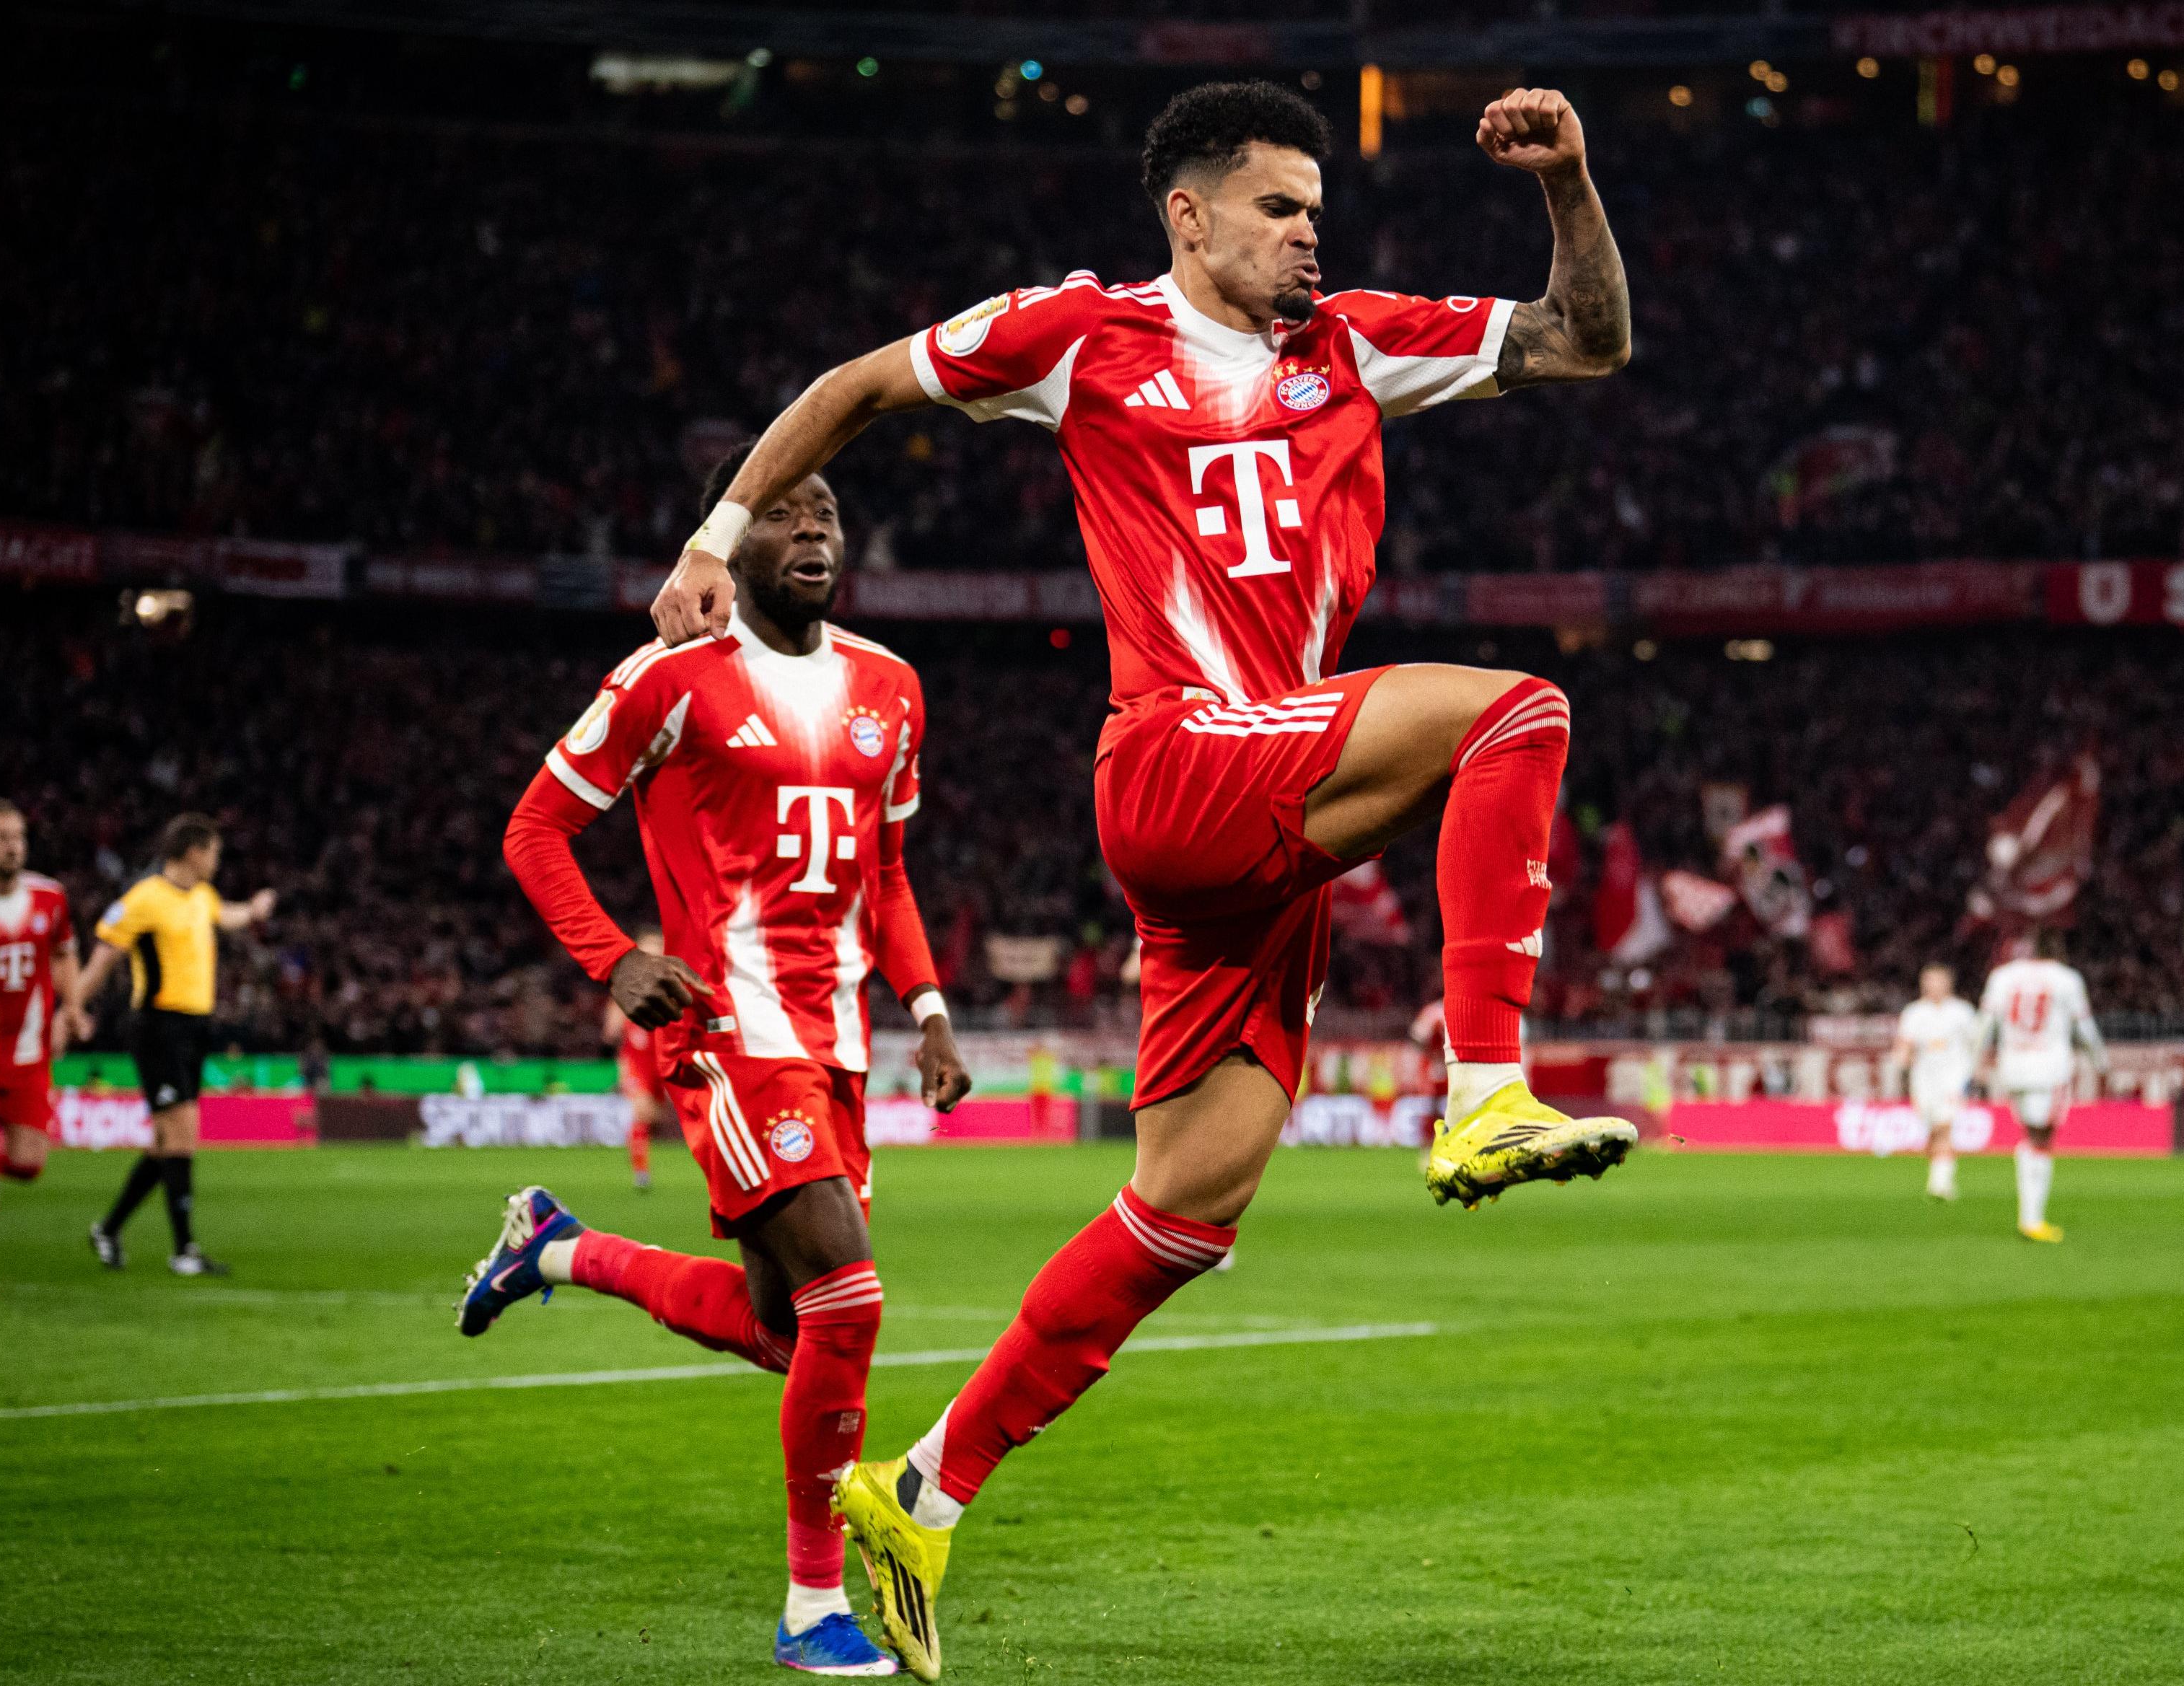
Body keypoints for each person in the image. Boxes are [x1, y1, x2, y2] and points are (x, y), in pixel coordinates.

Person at [641, 81, 1637, 1675]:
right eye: (1276, 207)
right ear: (1185, 214)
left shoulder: (1359, 339)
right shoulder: (1073, 333)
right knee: (1518, 709)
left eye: (1316, 209)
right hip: (1178, 760)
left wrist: (1569, 185)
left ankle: (923, 1493)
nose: (1310, 233)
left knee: (1187, 1205)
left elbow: (1584, 341)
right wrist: (716, 531)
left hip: (1268, 811)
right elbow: (855, 387)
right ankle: (1485, 1084)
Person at [473, 455, 972, 1676]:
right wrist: (612, 958)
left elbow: (890, 873)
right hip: (729, 1033)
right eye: (786, 514)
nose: (814, 531)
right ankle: (812, 1611)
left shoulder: (893, 689)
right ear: (733, 544)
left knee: (784, 1329)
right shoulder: (669, 682)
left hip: (840, 1038)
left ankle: (553, 1245)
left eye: (830, 513)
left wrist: (930, 1005)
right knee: (847, 1301)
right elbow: (535, 827)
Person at [72, 813, 273, 1276]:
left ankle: (110, 1229)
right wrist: (72, 1008)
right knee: (181, 1134)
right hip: (158, 1025)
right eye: (215, 852)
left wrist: (257, 909)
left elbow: (228, 916)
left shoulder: (202, 897)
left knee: (172, 1140)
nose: (218, 861)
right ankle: (183, 1250)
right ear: (194, 851)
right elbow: (104, 957)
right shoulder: (144, 899)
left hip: (195, 1028)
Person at [0, 801, 81, 1296]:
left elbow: (64, 952)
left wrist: (71, 1008)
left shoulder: (50, 897)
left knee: (29, 1164)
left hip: (30, 1055)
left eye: (19, 836)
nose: (13, 845)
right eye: (2, 837)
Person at [1975, 936, 2105, 1243]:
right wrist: (2100, 1061)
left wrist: (1976, 1063)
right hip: (2050, 1067)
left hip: (2013, 1066)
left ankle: (2029, 1217)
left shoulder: (2002, 976)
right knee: (2042, 1138)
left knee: (2029, 1136)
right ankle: (2032, 1219)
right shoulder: (2066, 979)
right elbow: (2084, 1026)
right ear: (2058, 951)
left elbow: (1985, 1024)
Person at [1892, 963, 1978, 1202]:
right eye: (1929, 981)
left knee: (1944, 1126)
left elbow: (1976, 1045)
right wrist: (1901, 1061)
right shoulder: (1914, 1012)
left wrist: (1975, 1074)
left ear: (1948, 983)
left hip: (1953, 1079)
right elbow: (1905, 1044)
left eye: (1938, 981)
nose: (1933, 986)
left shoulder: (1963, 1012)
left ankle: (1941, 1184)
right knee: (1932, 1130)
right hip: (1924, 1080)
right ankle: (1937, 1177)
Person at [606, 923, 672, 1191]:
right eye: (648, 950)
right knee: (642, 1114)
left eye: (658, 950)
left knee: (657, 1118)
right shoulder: (625, 989)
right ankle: (641, 1174)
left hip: (666, 1062)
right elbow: (611, 1033)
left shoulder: (674, 987)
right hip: (638, 1063)